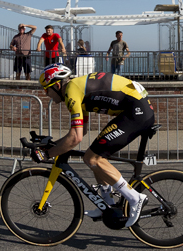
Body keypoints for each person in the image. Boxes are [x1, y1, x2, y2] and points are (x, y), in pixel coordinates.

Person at [36, 64, 153, 227]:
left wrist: (48, 154)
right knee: (95, 153)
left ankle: (134, 197)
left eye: (46, 89)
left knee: (92, 158)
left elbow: (75, 138)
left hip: (136, 113)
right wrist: (54, 146)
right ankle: (106, 204)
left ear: (56, 85)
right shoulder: (77, 88)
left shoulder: (71, 92)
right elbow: (81, 131)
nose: (45, 94)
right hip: (135, 110)